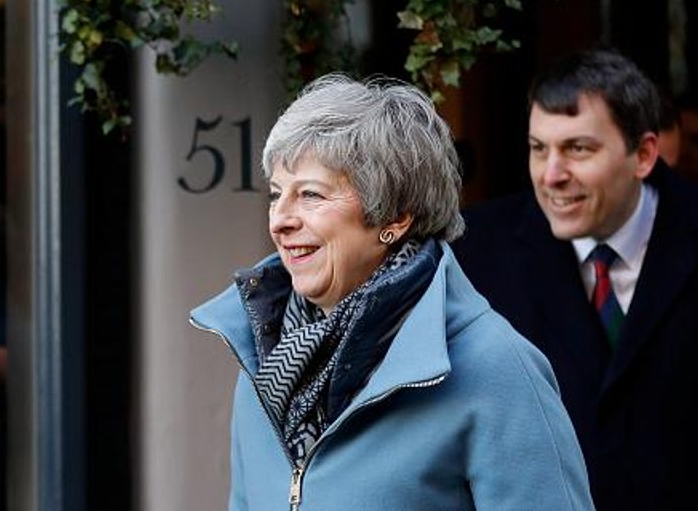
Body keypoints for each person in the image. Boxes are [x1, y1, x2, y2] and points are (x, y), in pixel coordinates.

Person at [190, 74, 592, 510]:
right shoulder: (263, 365)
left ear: (396, 217)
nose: (280, 220)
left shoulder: (496, 367)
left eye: (310, 195)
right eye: (275, 195)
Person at [453, 47, 698, 510]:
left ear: (644, 154)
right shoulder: (474, 252)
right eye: (538, 148)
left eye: (578, 149)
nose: (551, 175)